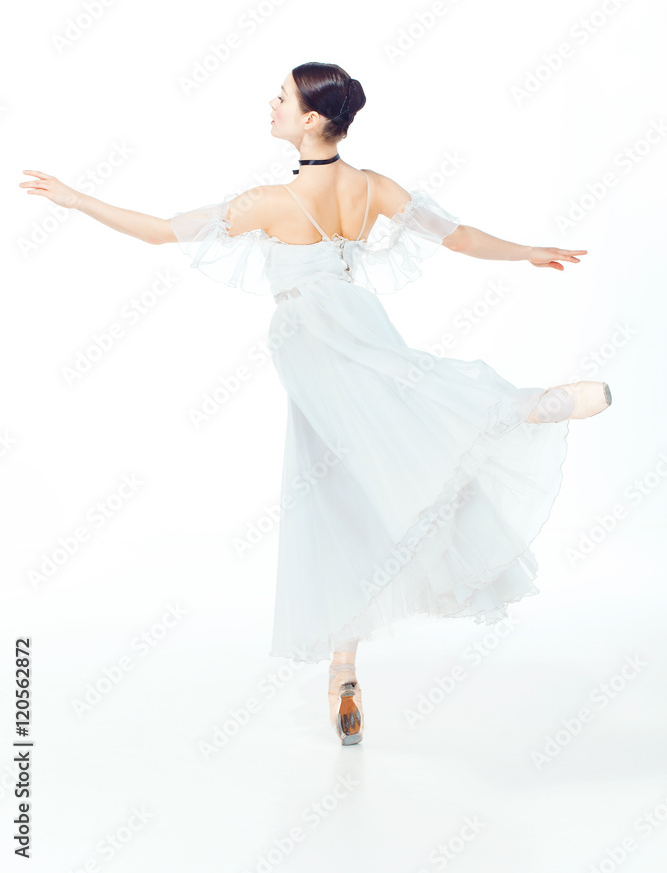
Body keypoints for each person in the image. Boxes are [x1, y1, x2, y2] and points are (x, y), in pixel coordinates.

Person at [19, 60, 612, 747]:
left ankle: (520, 407)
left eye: (281, 98)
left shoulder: (272, 200)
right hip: (358, 323)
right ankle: (343, 669)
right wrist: (526, 252)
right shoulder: (371, 187)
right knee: (385, 442)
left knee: (354, 478)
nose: (269, 105)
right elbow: (459, 237)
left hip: (310, 336)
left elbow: (161, 231)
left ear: (310, 118)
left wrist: (77, 198)